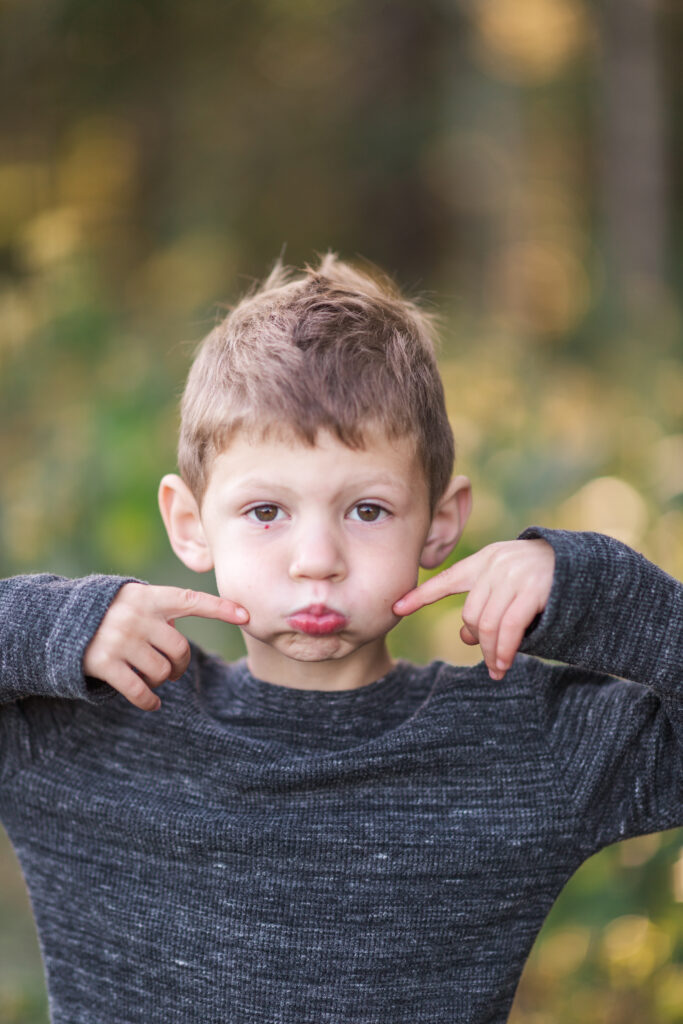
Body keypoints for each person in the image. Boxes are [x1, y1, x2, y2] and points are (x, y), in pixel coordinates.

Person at [0, 253, 680, 1024]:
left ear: (441, 523)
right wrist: (50, 625)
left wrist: (588, 587)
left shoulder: (524, 746)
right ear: (189, 523)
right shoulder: (86, 729)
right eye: (266, 512)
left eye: (366, 511)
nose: (315, 560)